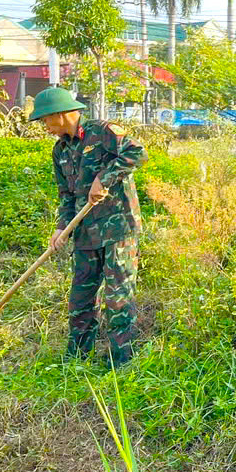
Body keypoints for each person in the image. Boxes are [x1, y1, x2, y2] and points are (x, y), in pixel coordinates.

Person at [29, 88, 149, 368]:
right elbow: (66, 195)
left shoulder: (102, 131)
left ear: (60, 114)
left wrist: (104, 178)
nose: (45, 127)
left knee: (118, 299)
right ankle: (77, 360)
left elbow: (138, 153)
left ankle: (122, 363)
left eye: (45, 120)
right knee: (80, 298)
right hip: (85, 234)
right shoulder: (59, 150)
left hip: (117, 228)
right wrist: (61, 228)